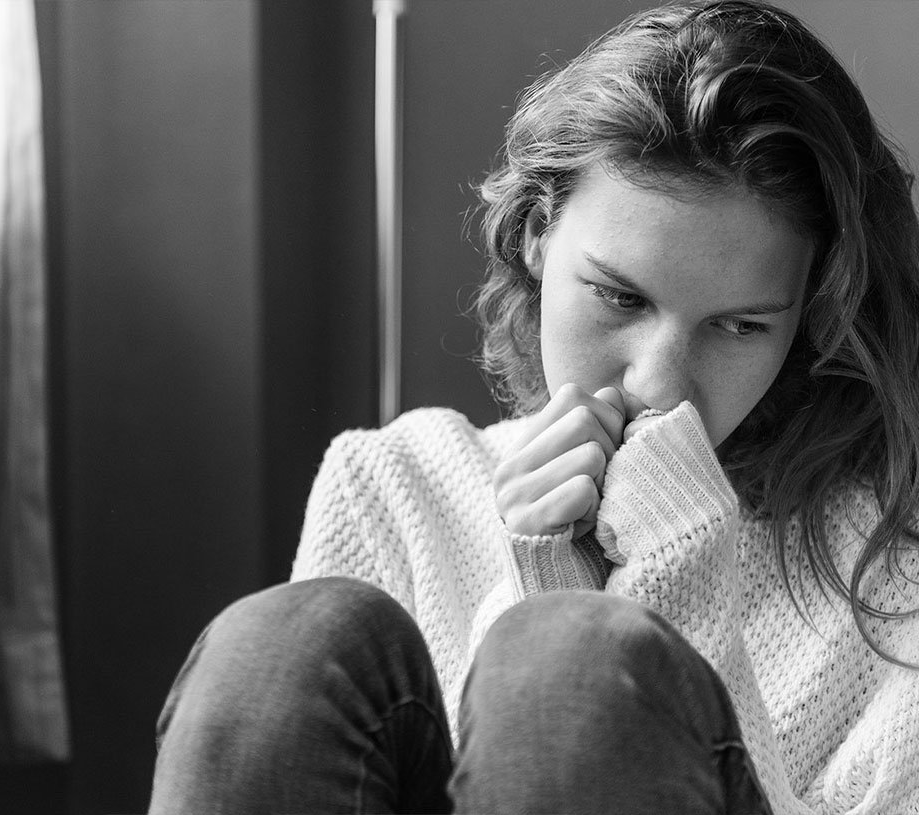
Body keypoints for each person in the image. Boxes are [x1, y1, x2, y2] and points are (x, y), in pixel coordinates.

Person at [147, 1, 919, 812]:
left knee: (573, 658)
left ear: (810, 317)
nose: (659, 386)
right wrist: (540, 589)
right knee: (287, 640)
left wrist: (677, 603)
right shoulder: (395, 485)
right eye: (620, 296)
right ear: (536, 234)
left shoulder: (893, 556)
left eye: (740, 326)